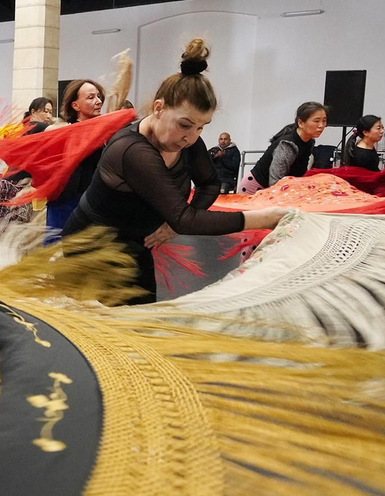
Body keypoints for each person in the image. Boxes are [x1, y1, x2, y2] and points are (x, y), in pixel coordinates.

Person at [62, 40, 287, 303]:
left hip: (135, 241)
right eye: (185, 125)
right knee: (113, 319)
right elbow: (185, 219)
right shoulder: (132, 150)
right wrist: (265, 218)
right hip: (91, 244)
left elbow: (209, 184)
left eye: (202, 127)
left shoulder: (188, 142)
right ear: (158, 108)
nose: (191, 137)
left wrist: (172, 225)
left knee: (140, 312)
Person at [47, 78, 105, 238]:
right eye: (91, 97)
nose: (98, 101)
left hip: (90, 205)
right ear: (75, 105)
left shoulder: (100, 132)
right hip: (66, 206)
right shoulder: (66, 133)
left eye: (99, 96)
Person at [0, 96, 55, 225]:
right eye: (45, 111)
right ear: (33, 112)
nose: (48, 116)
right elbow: (60, 131)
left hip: (11, 180)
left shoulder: (24, 128)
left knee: (1, 223)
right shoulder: (36, 125)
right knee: (14, 225)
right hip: (19, 183)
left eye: (50, 112)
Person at [245, 102, 328, 191]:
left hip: (278, 188)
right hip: (257, 187)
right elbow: (275, 181)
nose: (321, 125)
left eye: (324, 121)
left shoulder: (309, 142)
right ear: (300, 123)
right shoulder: (288, 145)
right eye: (316, 121)